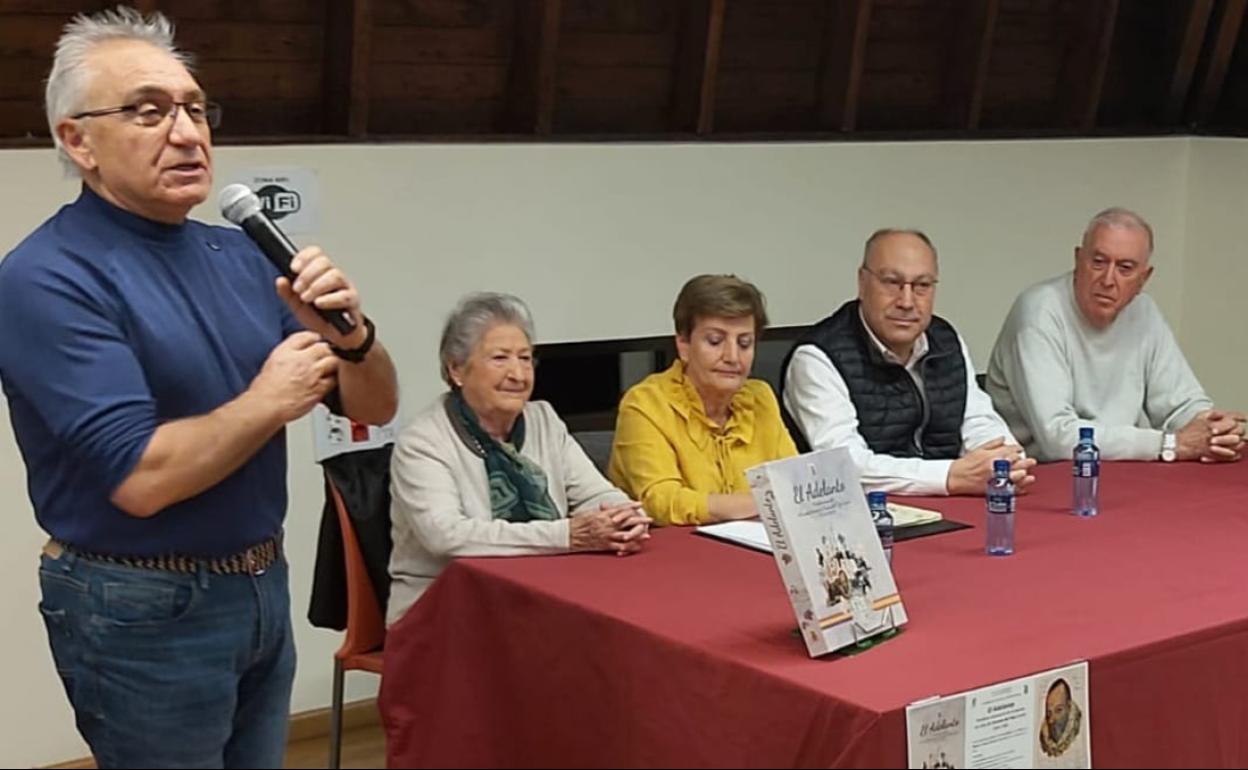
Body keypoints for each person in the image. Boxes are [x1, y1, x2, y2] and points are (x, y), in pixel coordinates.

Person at [0, 8, 398, 768]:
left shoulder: (239, 254)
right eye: (148, 112)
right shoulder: (46, 277)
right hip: (139, 606)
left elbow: (371, 407)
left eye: (193, 108)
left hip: (258, 582)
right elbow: (142, 480)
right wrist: (270, 400)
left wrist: (355, 337)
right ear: (76, 140)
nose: (187, 133)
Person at [388, 292, 650, 625]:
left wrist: (622, 517)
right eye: (500, 358)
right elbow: (447, 536)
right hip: (443, 608)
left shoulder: (542, 419)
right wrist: (566, 535)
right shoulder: (423, 441)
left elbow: (595, 493)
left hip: (544, 590)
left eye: (525, 358)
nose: (518, 374)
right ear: (456, 369)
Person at [781, 229, 1035, 496]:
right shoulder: (817, 357)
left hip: (952, 504)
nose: (906, 301)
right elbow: (844, 466)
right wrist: (949, 476)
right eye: (892, 282)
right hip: (870, 515)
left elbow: (976, 418)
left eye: (922, 286)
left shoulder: (944, 339)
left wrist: (1003, 460)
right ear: (862, 282)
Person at [986, 208, 1245, 462]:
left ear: (1144, 278)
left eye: (1125, 268)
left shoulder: (1144, 311)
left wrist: (1212, 428)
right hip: (1044, 476)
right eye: (1099, 262)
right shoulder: (1039, 311)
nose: (1108, 280)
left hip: (1121, 471)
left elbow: (1179, 403)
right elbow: (1058, 439)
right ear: (1078, 259)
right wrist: (1170, 444)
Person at [607, 274, 797, 525]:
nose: (732, 356)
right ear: (684, 345)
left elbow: (795, 482)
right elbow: (661, 502)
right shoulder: (645, 403)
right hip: (673, 552)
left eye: (744, 343)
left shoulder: (760, 397)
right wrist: (764, 502)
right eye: (715, 341)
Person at [1039, 678, 1083, 758]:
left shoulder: (1080, 739)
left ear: (1069, 707)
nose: (1051, 720)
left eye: (1058, 710)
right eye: (1049, 713)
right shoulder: (1044, 738)